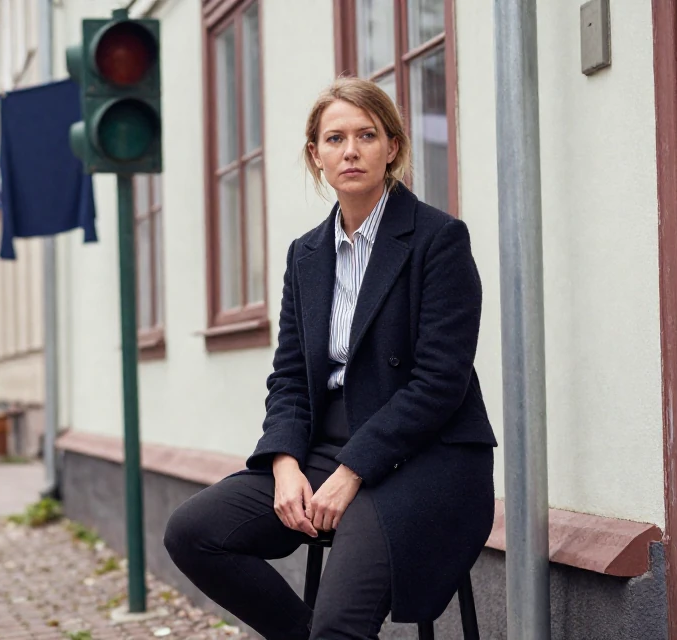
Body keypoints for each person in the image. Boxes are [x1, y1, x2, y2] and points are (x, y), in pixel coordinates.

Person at [163, 77, 498, 640]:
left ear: (391, 147)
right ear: (315, 156)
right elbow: (290, 375)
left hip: (425, 455)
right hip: (325, 447)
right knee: (192, 531)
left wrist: (352, 471)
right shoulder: (306, 255)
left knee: (341, 624)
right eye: (335, 138)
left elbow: (440, 382)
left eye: (366, 135)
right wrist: (284, 462)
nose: (350, 150)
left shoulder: (438, 240)